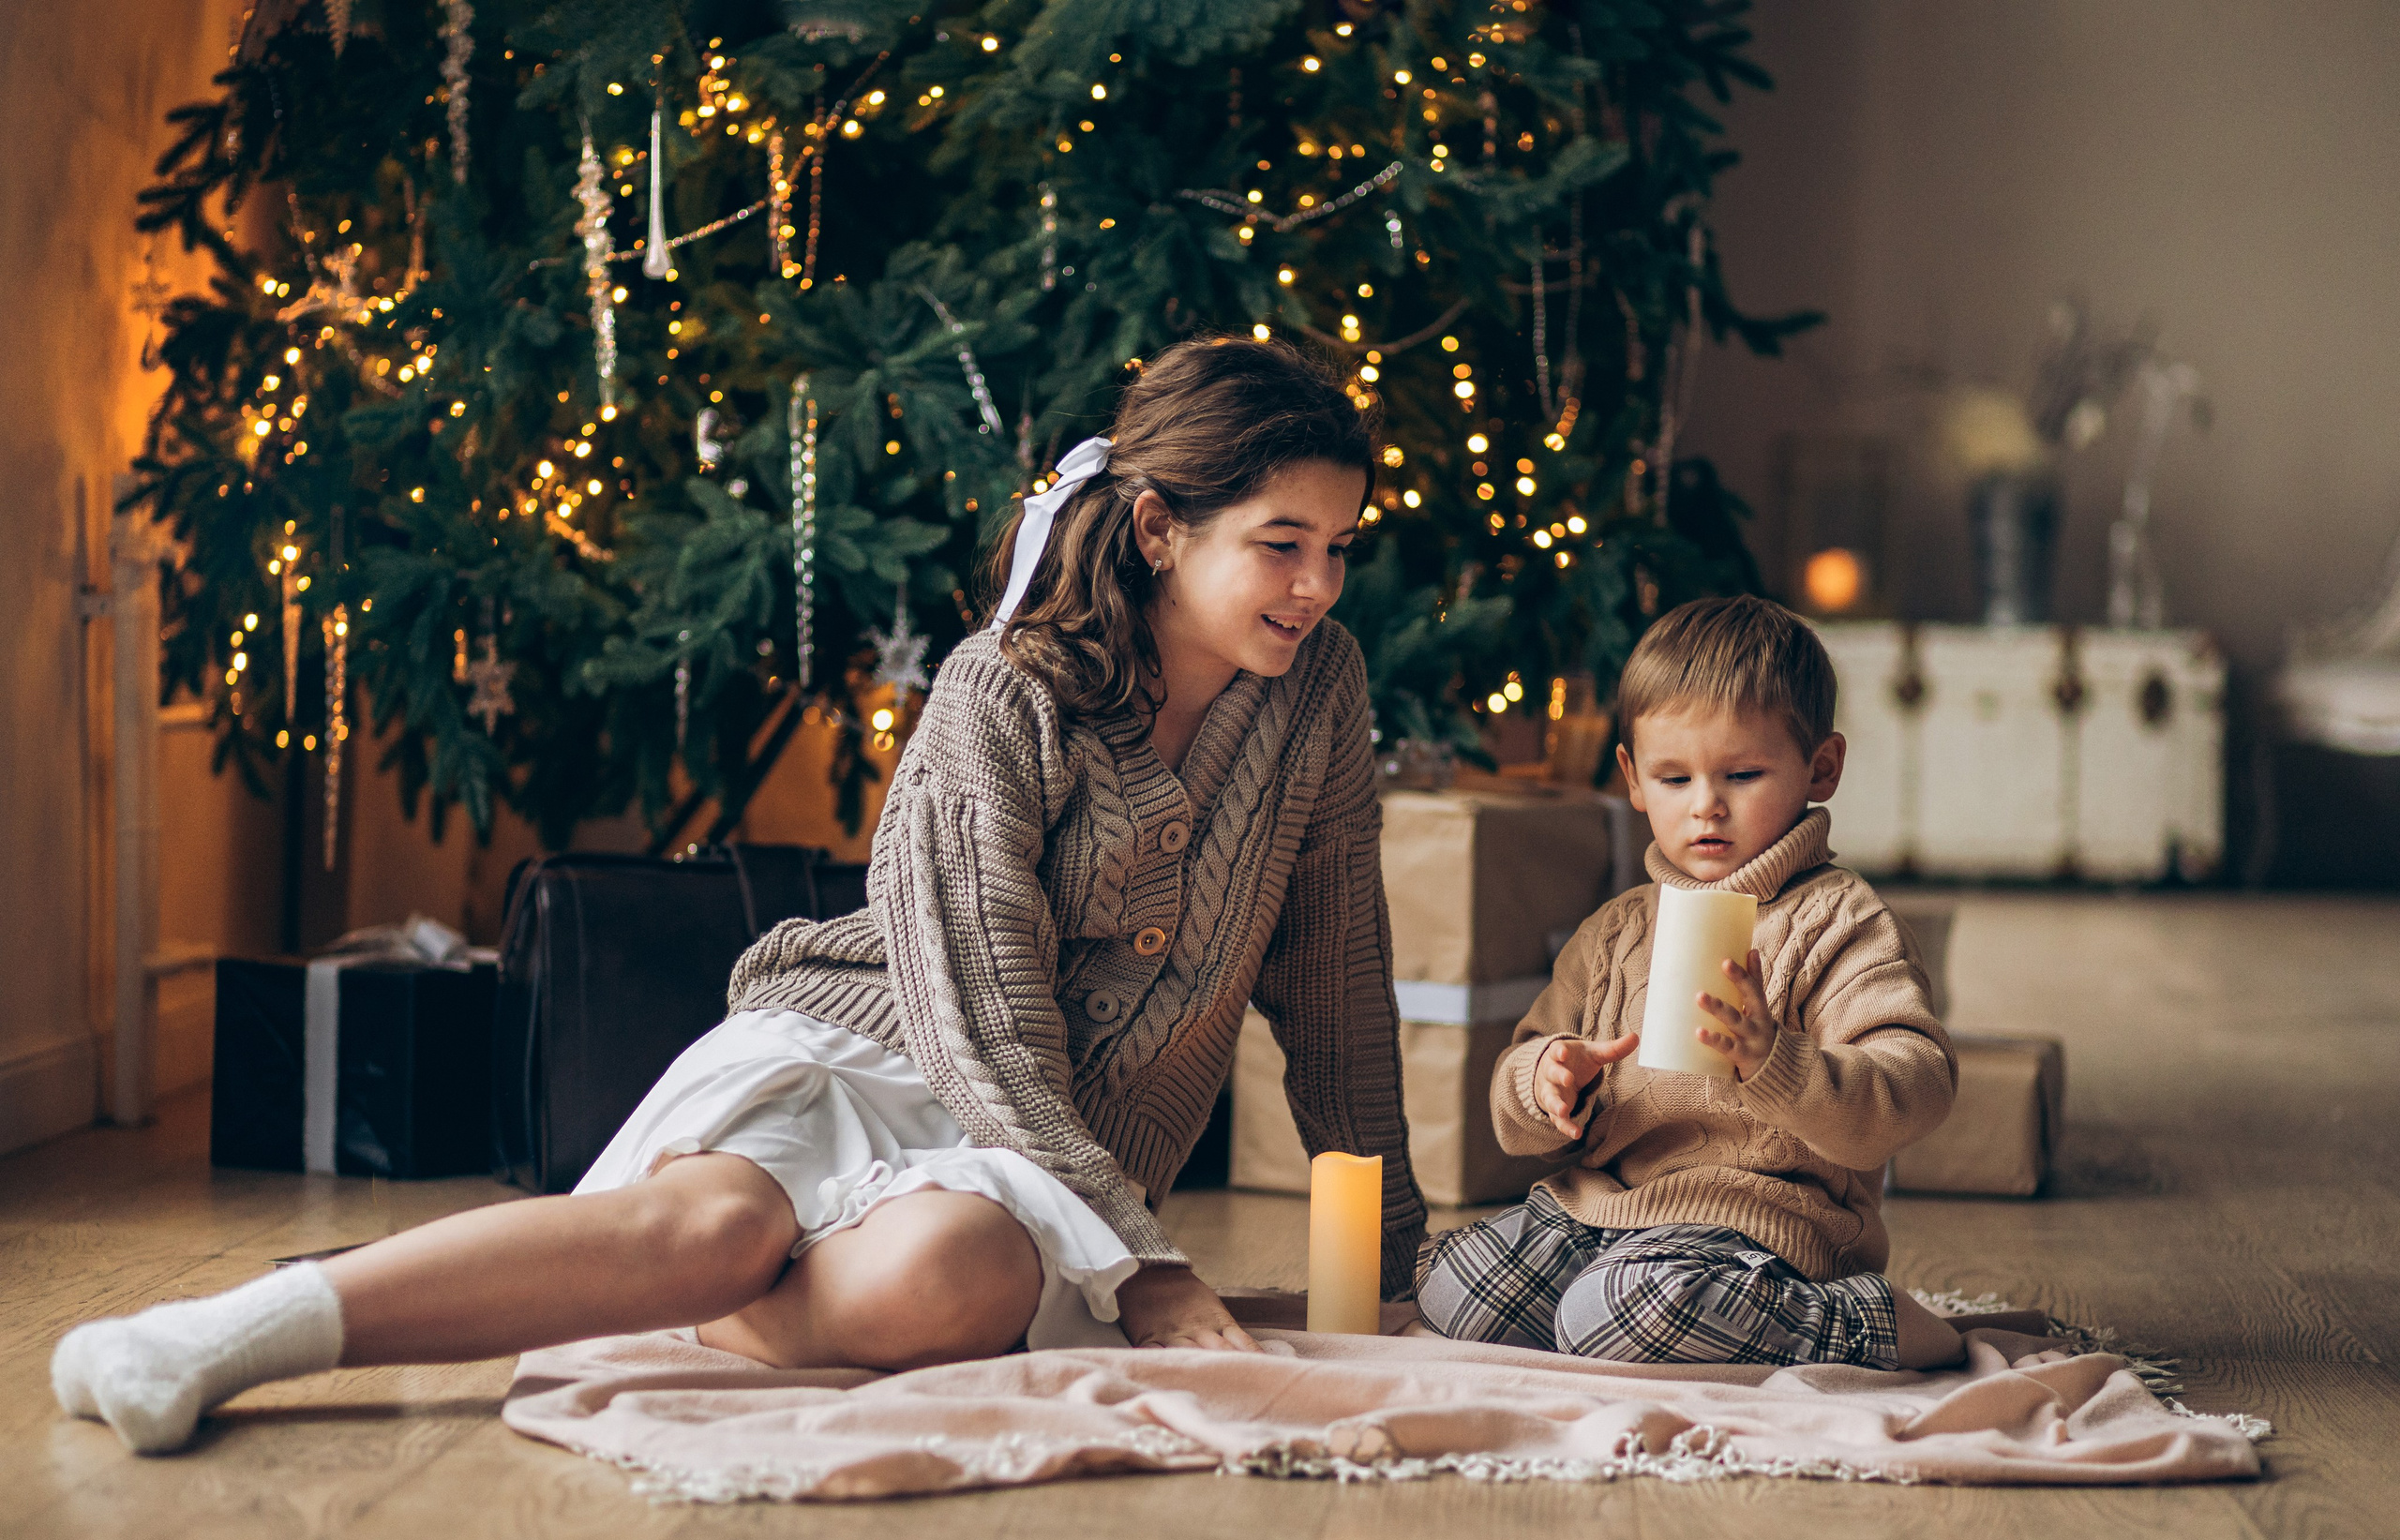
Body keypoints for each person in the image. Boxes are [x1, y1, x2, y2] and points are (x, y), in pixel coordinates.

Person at [55, 336, 1427, 1454]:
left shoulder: (1318, 690)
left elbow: (1336, 980)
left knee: (947, 1280)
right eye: (1281, 543)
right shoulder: (997, 693)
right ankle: (217, 1335)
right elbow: (985, 1016)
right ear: (1157, 528)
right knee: (714, 1223)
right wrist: (1147, 1263)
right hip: (875, 1050)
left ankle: (707, 1304)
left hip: (1043, 1149)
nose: (1318, 584)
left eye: (1340, 546)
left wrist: (1396, 1263)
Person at [1416, 594, 1970, 1370]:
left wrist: (1775, 1062)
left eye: (1742, 774)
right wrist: (1547, 1080)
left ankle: (1868, 1324)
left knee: (1616, 1309)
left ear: (1821, 768)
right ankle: (1618, 1312)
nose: (1706, 806)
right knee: (1455, 1287)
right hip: (1603, 1209)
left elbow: (1918, 1083)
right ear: (1632, 779)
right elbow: (1517, 1108)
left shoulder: (1840, 921)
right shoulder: (1615, 930)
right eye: (1673, 778)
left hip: (1761, 1227)